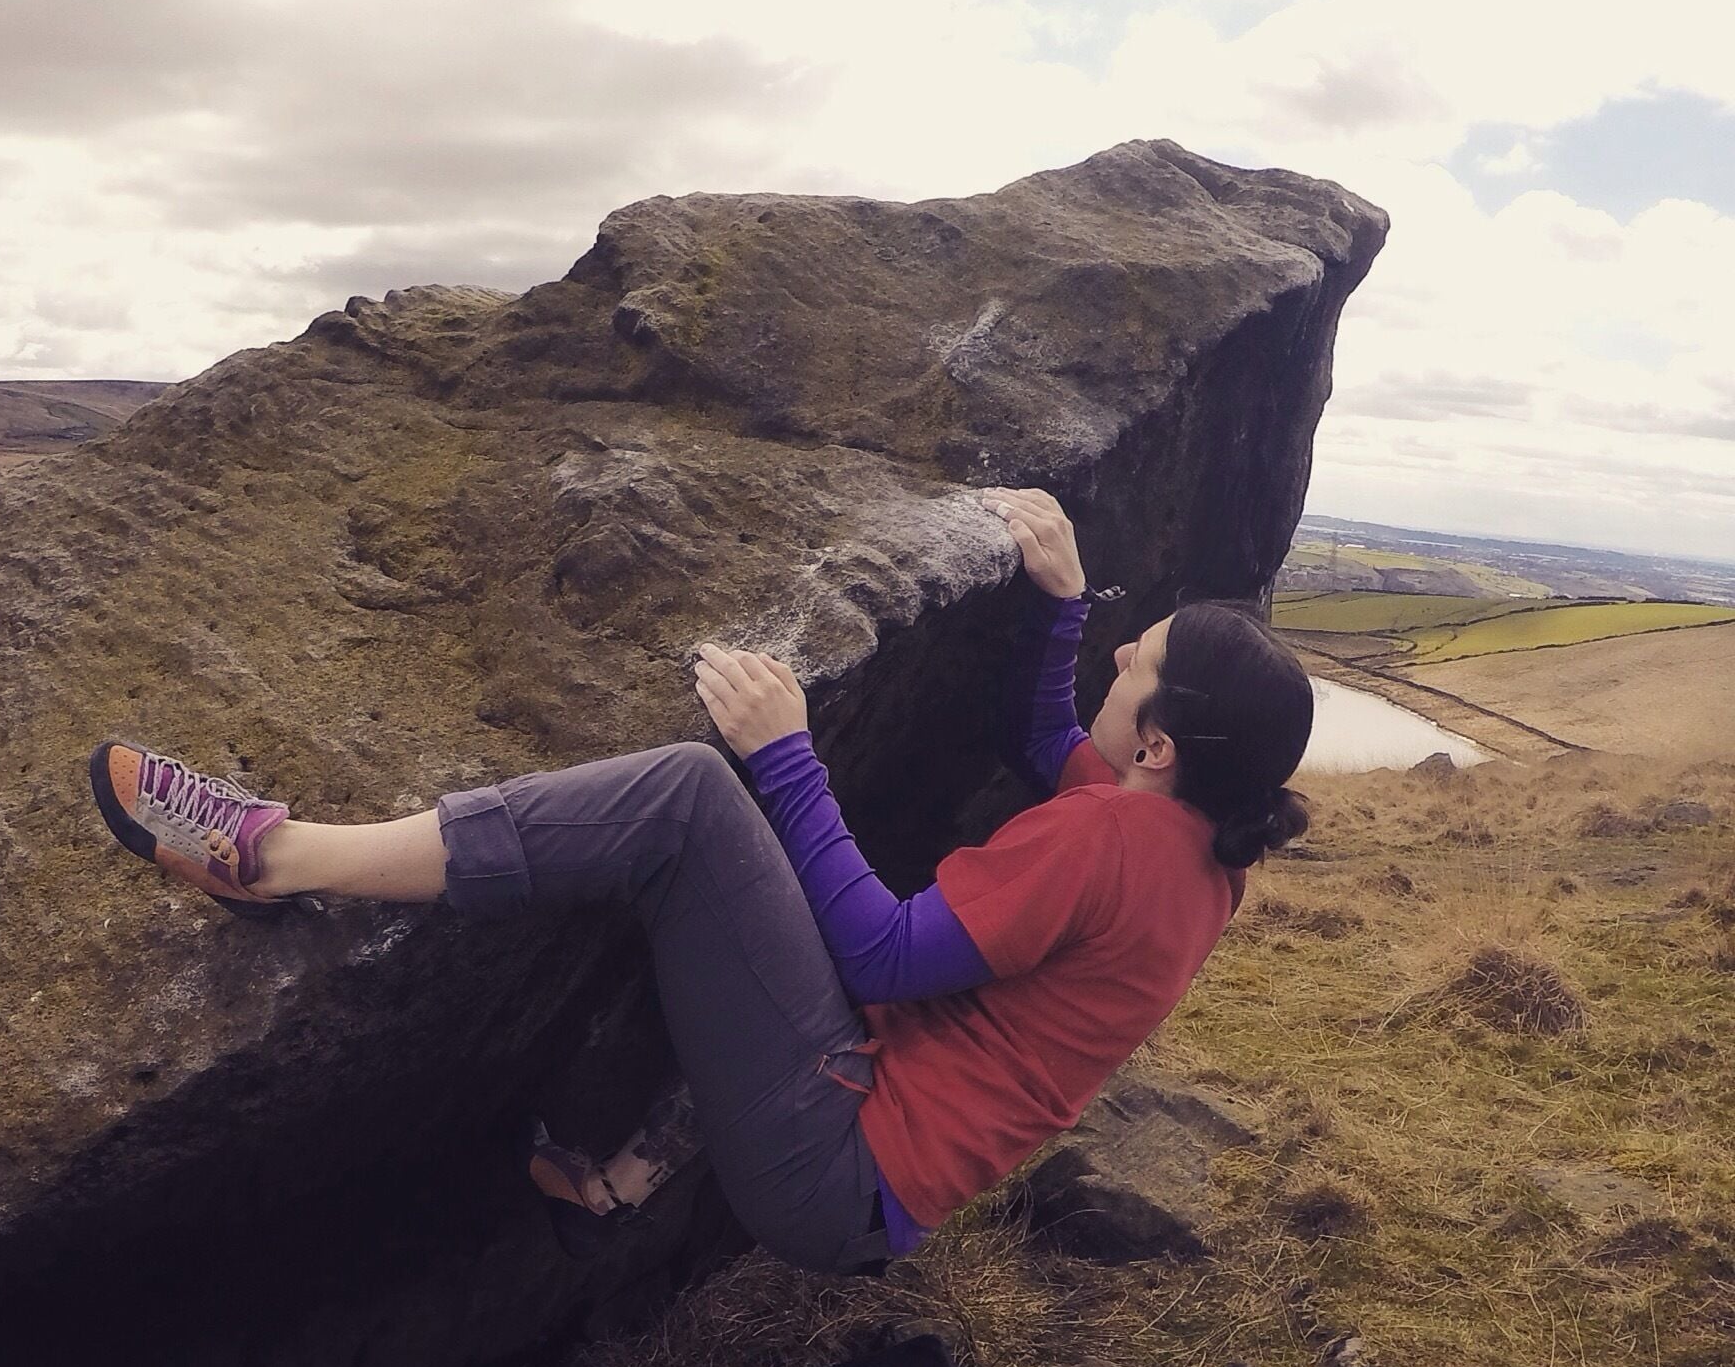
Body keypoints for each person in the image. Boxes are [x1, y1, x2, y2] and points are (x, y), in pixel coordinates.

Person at [88, 490, 1314, 1275]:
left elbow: (881, 955)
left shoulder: (1106, 843)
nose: (1119, 649)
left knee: (686, 801)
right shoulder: (1195, 853)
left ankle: (275, 857)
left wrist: (786, 754)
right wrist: (1062, 607)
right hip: (875, 1182)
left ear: (1160, 745)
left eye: (1136, 659)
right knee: (806, 899)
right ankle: (621, 1179)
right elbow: (1049, 745)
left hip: (836, 1163)